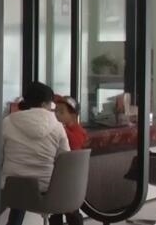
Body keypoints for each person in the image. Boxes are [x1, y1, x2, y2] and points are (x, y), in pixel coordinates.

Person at [2, 83, 69, 225]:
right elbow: (66, 160)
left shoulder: (8, 122)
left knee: (20, 187)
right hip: (45, 189)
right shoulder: (57, 127)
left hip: (12, 187)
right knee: (29, 185)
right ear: (45, 104)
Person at [49, 95, 88, 225]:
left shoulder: (79, 132)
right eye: (56, 111)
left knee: (71, 211)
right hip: (58, 176)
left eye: (61, 112)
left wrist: (60, 128)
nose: (56, 114)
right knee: (56, 211)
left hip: (70, 178)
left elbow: (75, 146)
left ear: (73, 115)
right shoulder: (60, 129)